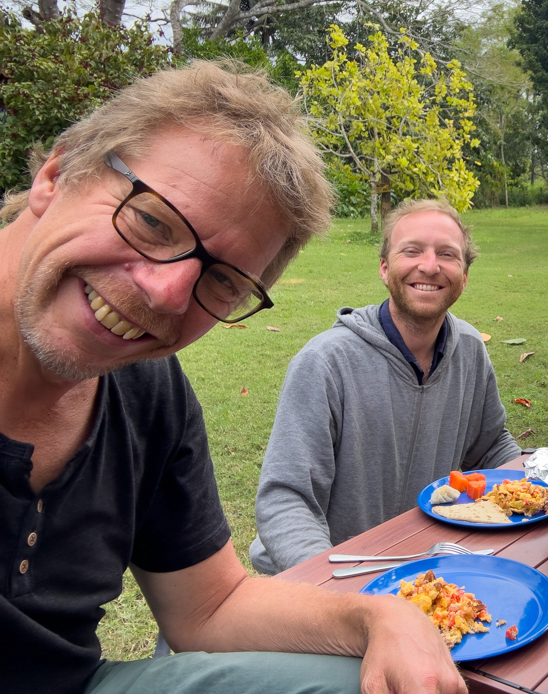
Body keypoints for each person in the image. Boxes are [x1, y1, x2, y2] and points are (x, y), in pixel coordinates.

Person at [0, 62, 466, 694]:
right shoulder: (328, 362)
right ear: (57, 175)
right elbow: (285, 498)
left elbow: (207, 608)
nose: (165, 294)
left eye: (221, 280)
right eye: (153, 221)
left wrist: (378, 614)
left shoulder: (150, 391)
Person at [250, 199, 521, 575]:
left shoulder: (470, 350)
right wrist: (332, 586)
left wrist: (535, 483)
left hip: (419, 566)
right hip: (326, 574)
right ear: (384, 267)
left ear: (464, 275)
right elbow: (285, 499)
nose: (430, 265)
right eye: (412, 251)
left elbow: (490, 447)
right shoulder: (326, 362)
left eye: (447, 254)